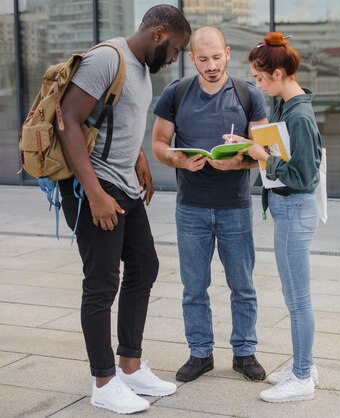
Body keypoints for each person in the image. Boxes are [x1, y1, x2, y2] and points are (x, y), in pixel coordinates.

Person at [56, 4, 191, 415]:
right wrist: (94, 193)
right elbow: (68, 120)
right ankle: (104, 382)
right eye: (175, 49)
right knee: (101, 283)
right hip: (95, 187)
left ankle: (130, 367)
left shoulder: (139, 68)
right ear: (158, 33)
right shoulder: (106, 59)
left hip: (124, 182)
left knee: (144, 267)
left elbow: (118, 118)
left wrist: (138, 158)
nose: (173, 59)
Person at [151, 25, 268, 383]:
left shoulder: (249, 95)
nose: (211, 65)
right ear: (192, 59)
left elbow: (264, 152)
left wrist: (238, 161)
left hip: (234, 206)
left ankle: (244, 352)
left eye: (217, 57)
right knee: (194, 287)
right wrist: (180, 161)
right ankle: (200, 354)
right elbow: (158, 143)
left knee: (243, 286)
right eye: (203, 59)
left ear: (228, 53)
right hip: (192, 207)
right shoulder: (176, 93)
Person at [242, 32, 323, 403]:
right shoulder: (287, 105)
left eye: (259, 78)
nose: (257, 85)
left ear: (277, 74)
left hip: (295, 209)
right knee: (295, 297)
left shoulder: (299, 112)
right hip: (286, 209)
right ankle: (301, 365)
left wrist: (262, 153)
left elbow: (305, 175)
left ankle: (303, 376)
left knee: (298, 299)